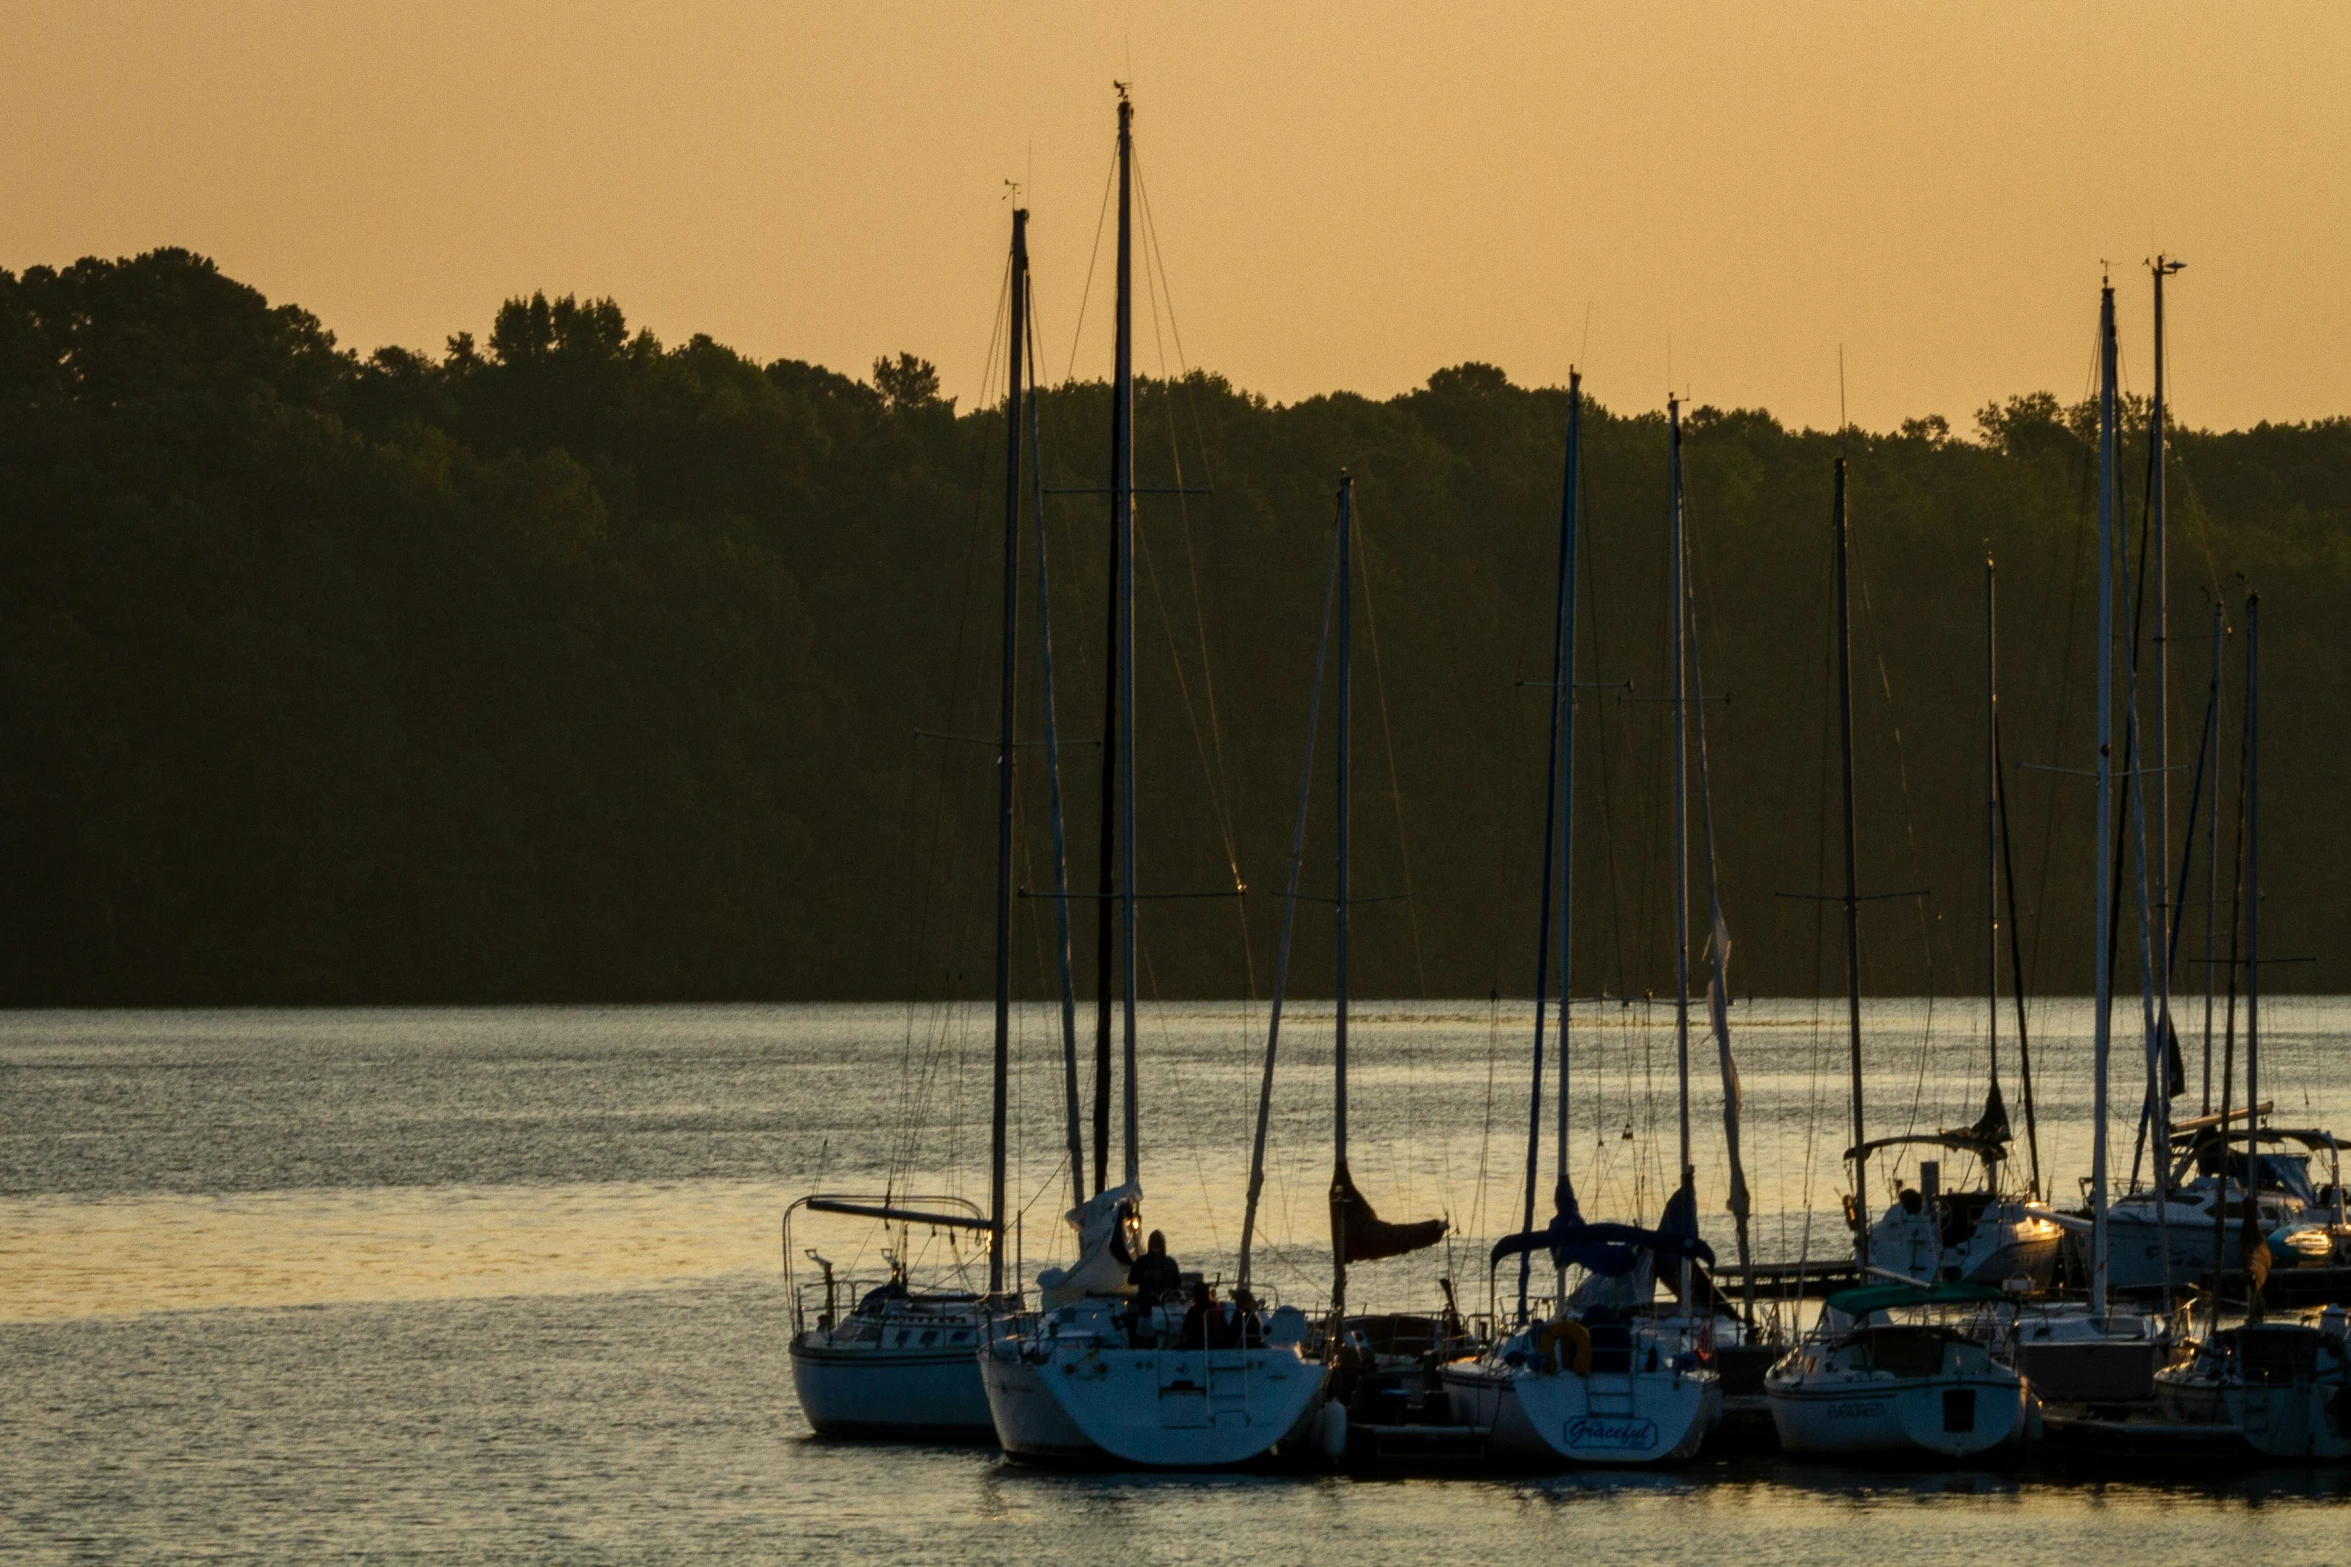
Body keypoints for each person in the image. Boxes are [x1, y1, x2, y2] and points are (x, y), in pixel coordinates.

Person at [1127, 1229, 1180, 1304]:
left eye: (1158, 1243)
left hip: (1166, 1302)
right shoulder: (1141, 1261)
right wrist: (1145, 1275)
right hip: (1145, 1302)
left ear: (1162, 1245)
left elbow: (1177, 1284)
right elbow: (1131, 1280)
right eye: (1154, 1243)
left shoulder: (1170, 1263)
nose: (1156, 1245)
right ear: (1150, 1244)